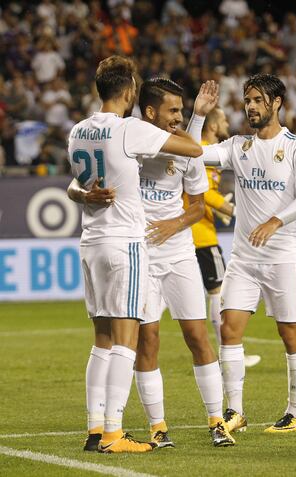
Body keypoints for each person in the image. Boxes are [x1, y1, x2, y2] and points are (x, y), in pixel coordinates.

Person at [68, 78, 235, 448]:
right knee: (148, 340)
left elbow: (195, 206)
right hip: (137, 252)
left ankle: (215, 419)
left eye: (180, 110)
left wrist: (173, 224)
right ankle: (157, 426)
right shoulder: (129, 140)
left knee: (197, 335)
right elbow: (76, 182)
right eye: (173, 110)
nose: (177, 117)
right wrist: (84, 194)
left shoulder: (182, 152)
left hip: (177, 253)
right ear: (148, 112)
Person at [199, 73, 296, 434]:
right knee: (229, 329)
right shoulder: (239, 147)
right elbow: (194, 154)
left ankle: (295, 412)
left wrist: (275, 221)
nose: (250, 106)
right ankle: (235, 411)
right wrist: (197, 117)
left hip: (284, 255)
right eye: (247, 100)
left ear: (276, 103)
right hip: (245, 259)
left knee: (290, 334)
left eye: (256, 100)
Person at [185, 106, 261, 368]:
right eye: (224, 119)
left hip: (194, 230)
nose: (228, 122)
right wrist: (230, 209)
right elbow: (203, 192)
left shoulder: (203, 150)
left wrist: (219, 211)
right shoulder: (204, 150)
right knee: (218, 291)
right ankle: (226, 352)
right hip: (201, 235)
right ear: (214, 125)